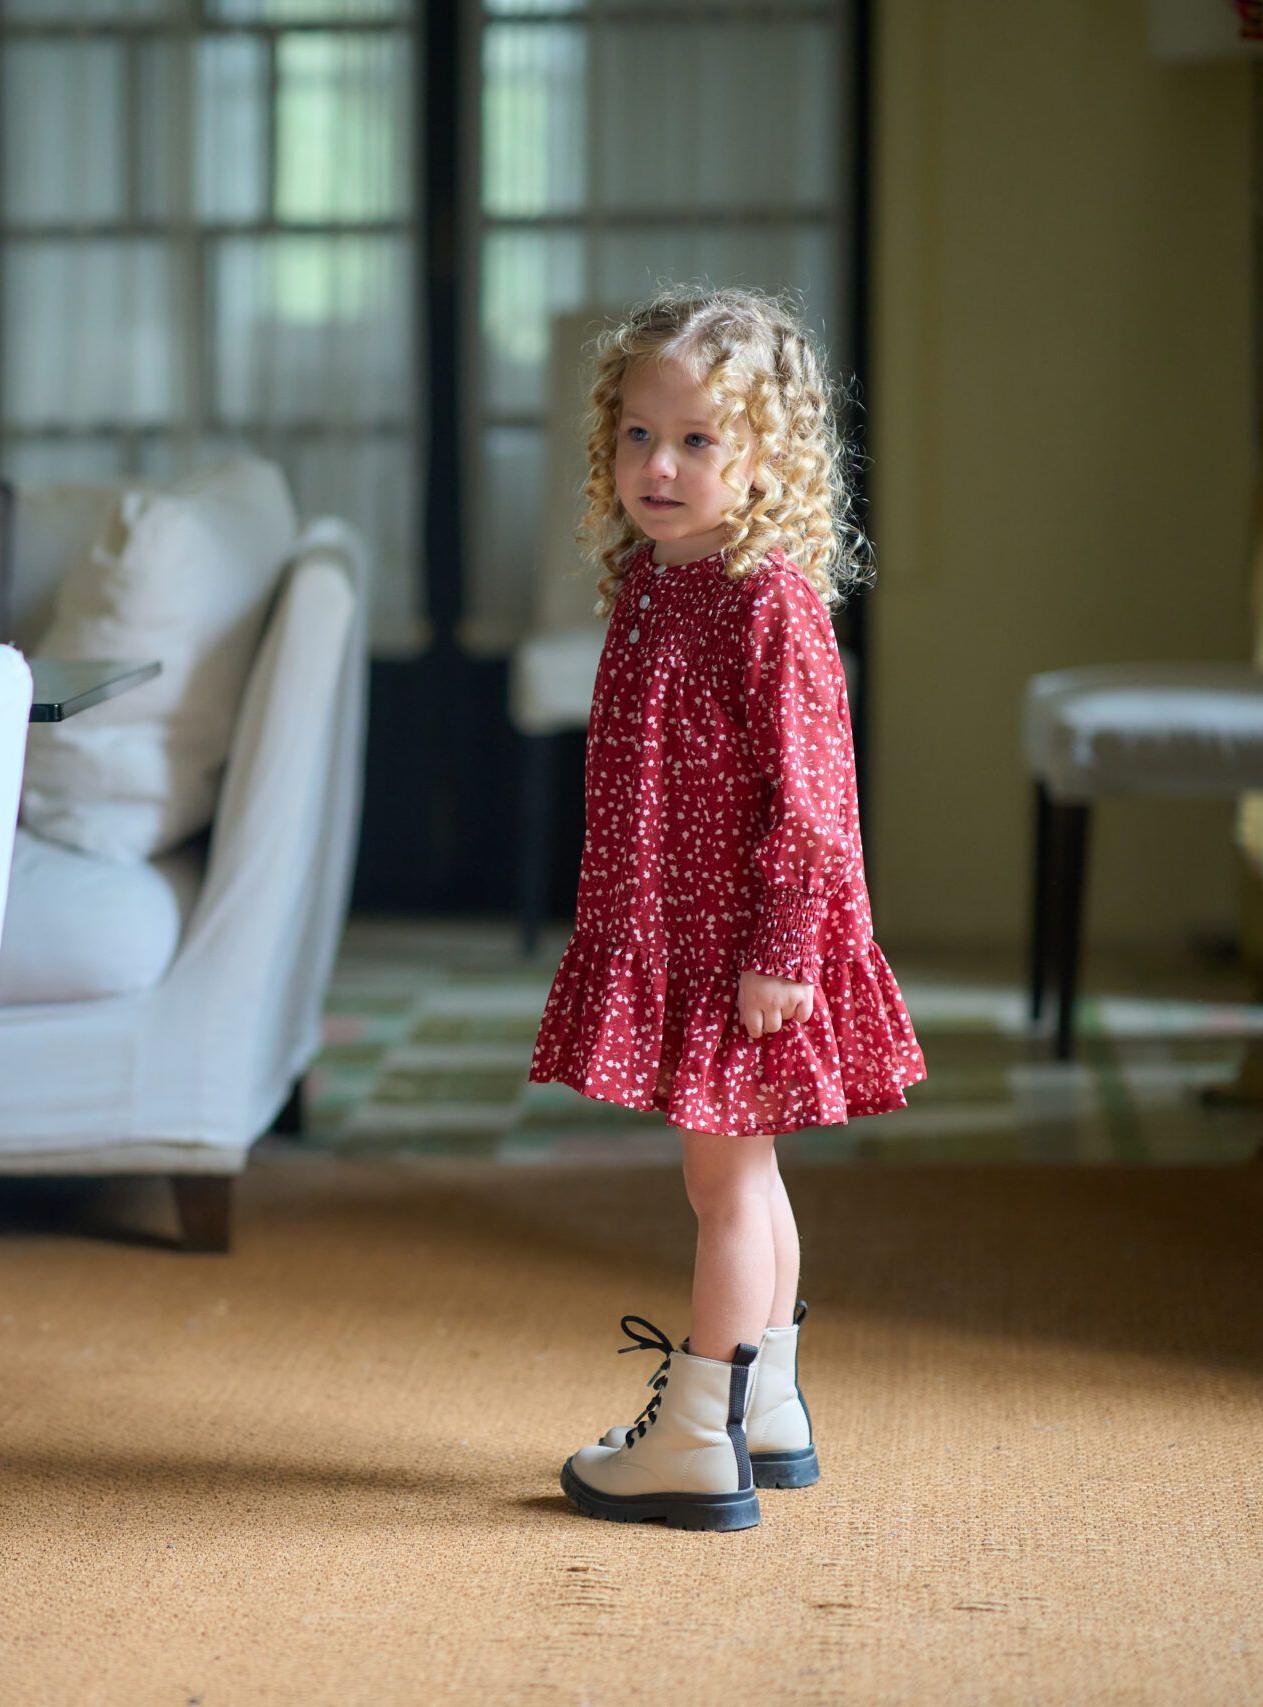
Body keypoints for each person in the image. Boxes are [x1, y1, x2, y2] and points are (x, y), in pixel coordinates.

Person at [529, 288, 927, 1533]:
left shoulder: (770, 604)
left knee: (725, 1188)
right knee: (745, 1175)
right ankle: (766, 1407)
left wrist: (781, 951)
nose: (659, 466)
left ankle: (697, 1436)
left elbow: (812, 807)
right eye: (638, 436)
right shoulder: (654, 580)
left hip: (744, 946)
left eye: (697, 440)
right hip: (684, 932)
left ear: (764, 456)